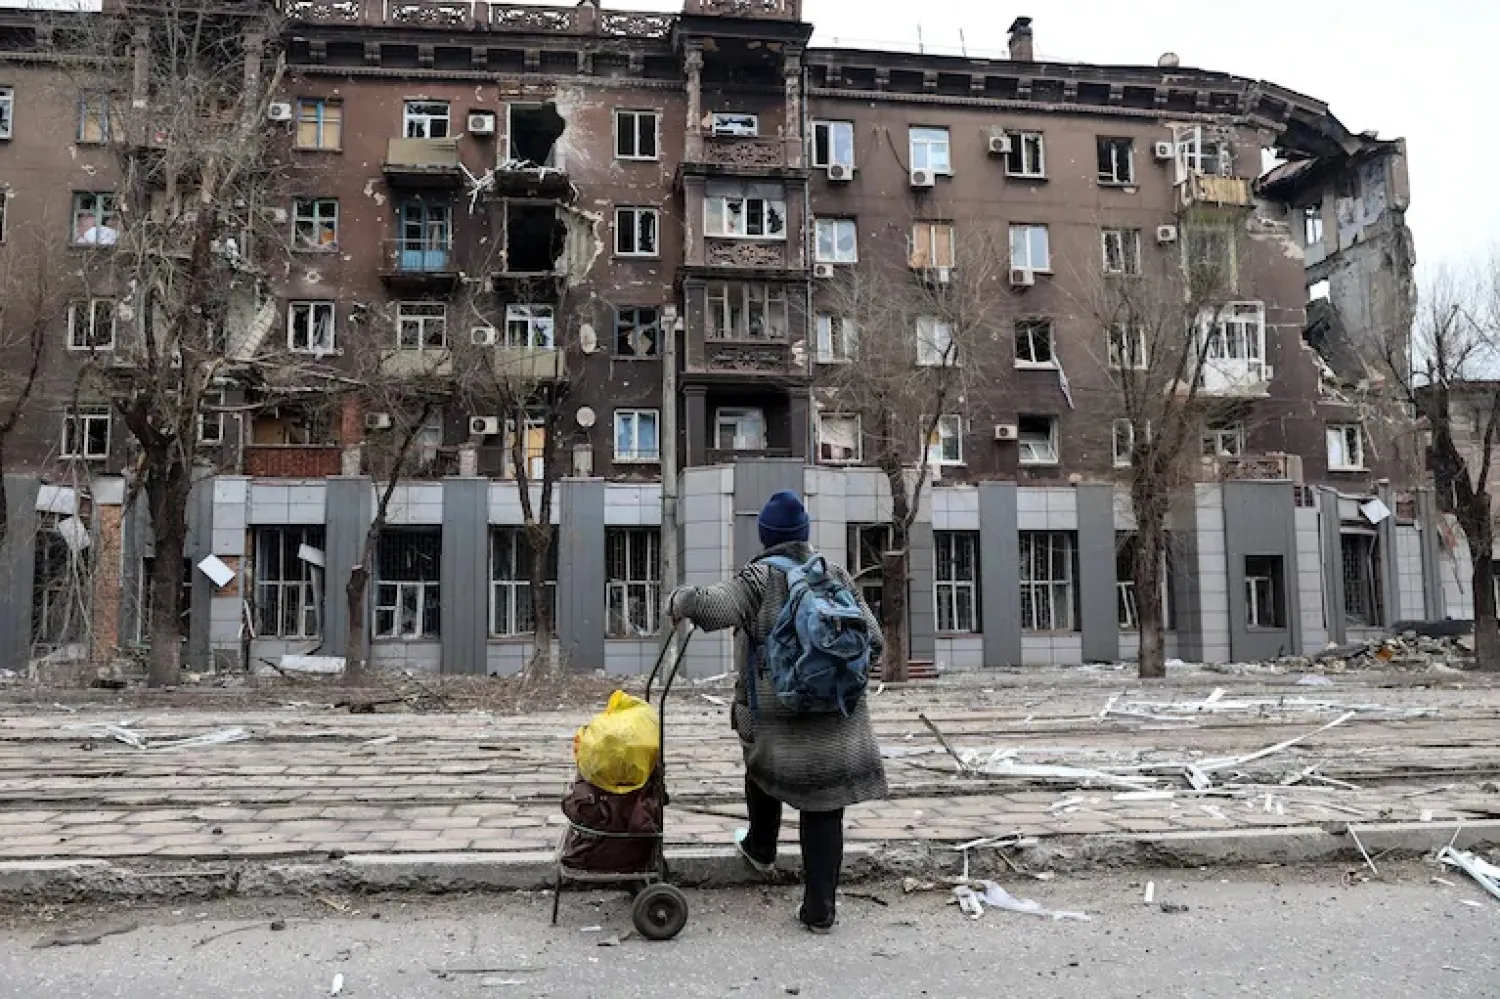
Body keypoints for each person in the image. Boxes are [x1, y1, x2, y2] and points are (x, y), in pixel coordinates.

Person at [668, 490, 888, 932]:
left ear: (765, 536)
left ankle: (761, 848)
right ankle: (820, 911)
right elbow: (875, 640)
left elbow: (713, 607)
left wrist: (680, 600)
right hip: (840, 717)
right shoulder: (834, 574)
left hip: (781, 720)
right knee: (825, 808)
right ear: (804, 534)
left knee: (761, 768)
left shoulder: (759, 577)